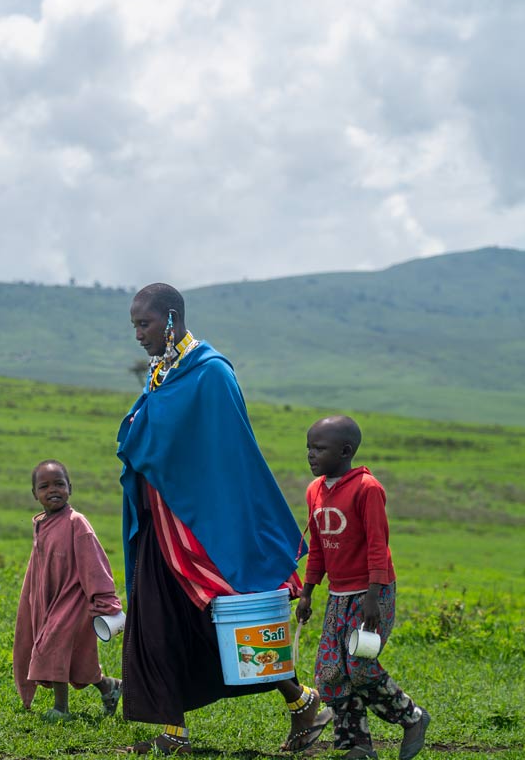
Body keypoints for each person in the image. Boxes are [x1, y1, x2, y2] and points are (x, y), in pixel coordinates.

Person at [116, 283, 332, 755]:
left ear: (171, 319)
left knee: (226, 617)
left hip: (204, 527)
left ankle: (302, 700)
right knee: (159, 618)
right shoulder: (164, 371)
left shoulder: (212, 372)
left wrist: (143, 428)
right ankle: (174, 730)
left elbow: (229, 453)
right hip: (163, 523)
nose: (138, 334)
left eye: (144, 324)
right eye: (134, 325)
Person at [296, 415, 430, 760]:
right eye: (309, 447)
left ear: (345, 451)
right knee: (330, 673)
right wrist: (308, 592)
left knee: (360, 666)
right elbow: (319, 548)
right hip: (337, 594)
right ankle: (357, 745)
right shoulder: (315, 491)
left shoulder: (367, 489)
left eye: (319, 448)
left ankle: (412, 717)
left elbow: (377, 546)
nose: (311, 454)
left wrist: (373, 596)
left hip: (372, 592)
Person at [14, 459, 124, 721]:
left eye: (59, 484)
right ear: (34, 494)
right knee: (75, 657)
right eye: (44, 486)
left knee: (52, 645)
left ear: (70, 488)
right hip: (50, 600)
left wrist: (105, 601)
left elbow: (95, 563)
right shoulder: (41, 524)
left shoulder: (77, 522)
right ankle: (109, 686)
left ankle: (61, 708)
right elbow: (38, 568)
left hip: (74, 599)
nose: (53, 490)